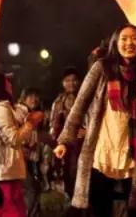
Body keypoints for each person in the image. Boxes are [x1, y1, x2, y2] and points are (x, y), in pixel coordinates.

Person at [53, 24, 136, 216]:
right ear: (115, 43)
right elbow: (80, 104)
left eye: (134, 38)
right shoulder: (101, 68)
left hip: (133, 151)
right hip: (101, 150)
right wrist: (65, 140)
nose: (129, 43)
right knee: (100, 209)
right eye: (124, 38)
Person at [0, 73, 45, 217]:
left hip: (7, 171)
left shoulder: (4, 108)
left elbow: (16, 121)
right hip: (4, 172)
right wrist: (31, 123)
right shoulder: (0, 109)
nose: (10, 85)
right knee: (11, 211)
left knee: (13, 210)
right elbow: (13, 139)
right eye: (7, 82)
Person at [48, 68, 83, 200]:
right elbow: (54, 126)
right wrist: (57, 143)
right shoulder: (59, 101)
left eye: (74, 80)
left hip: (88, 143)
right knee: (71, 175)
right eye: (68, 80)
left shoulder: (87, 97)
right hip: (69, 146)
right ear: (63, 83)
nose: (71, 83)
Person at [16, 87, 43, 217]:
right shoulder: (19, 112)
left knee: (33, 188)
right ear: (23, 98)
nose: (34, 99)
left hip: (29, 158)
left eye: (36, 96)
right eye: (31, 96)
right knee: (30, 189)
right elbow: (14, 137)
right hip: (20, 158)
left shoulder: (31, 113)